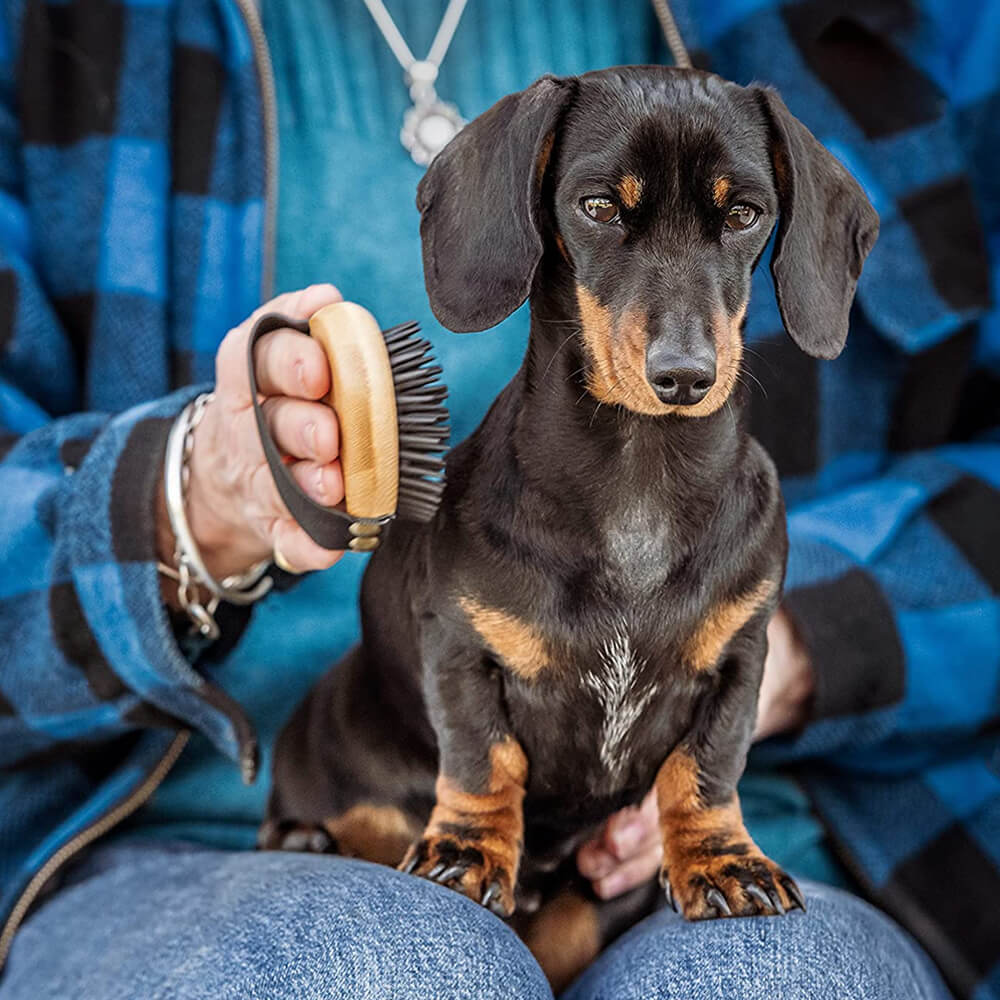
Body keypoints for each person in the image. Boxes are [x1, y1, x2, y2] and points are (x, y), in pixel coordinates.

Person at [0, 0, 996, 997]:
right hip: (214, 828)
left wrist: (780, 644)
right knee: (390, 968)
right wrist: (180, 502)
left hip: (734, 828)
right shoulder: (53, 30)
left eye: (735, 215)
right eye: (605, 208)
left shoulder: (878, 28)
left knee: (789, 984)